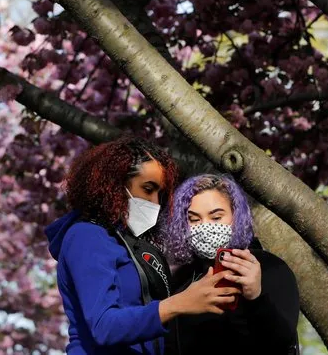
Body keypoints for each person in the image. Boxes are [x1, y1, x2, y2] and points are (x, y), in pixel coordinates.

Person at [45, 137, 242, 355]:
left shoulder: (136, 245)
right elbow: (104, 326)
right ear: (114, 184)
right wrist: (180, 303)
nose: (156, 203)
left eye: (161, 193)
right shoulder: (86, 236)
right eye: (148, 189)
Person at [165, 174, 300, 355]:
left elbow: (282, 341)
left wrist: (256, 297)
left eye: (216, 217)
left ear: (236, 217)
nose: (205, 227)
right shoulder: (183, 279)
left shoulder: (269, 267)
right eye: (194, 219)